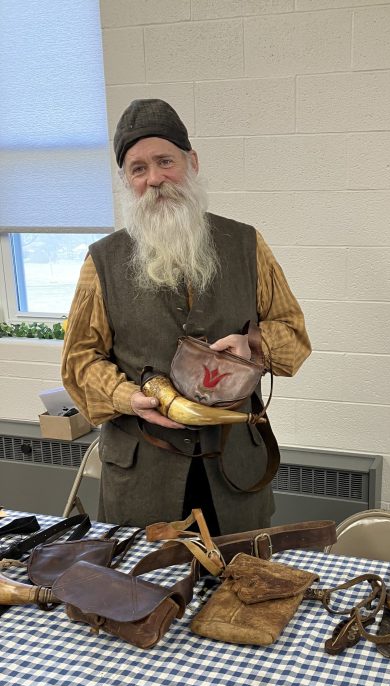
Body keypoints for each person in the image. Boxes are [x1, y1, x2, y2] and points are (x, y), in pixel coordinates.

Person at [62, 98, 310, 534]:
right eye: (138, 169)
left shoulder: (246, 244)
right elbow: (79, 360)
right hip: (142, 478)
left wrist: (252, 345)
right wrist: (126, 398)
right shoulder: (101, 261)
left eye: (164, 161)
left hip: (235, 471)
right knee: (141, 595)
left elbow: (293, 335)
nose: (154, 179)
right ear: (126, 180)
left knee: (241, 588)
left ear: (191, 162)